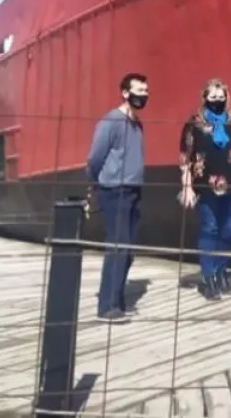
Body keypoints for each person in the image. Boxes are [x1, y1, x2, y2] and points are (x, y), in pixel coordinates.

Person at [178, 78, 231, 301]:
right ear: (204, 98)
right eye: (213, 97)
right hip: (205, 185)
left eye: (221, 97)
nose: (218, 101)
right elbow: (185, 158)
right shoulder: (194, 123)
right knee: (209, 228)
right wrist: (187, 186)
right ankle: (208, 276)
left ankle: (220, 269)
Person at [86, 72, 148, 322]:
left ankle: (118, 300)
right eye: (139, 91)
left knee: (128, 248)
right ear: (125, 93)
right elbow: (95, 157)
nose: (144, 95)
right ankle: (107, 306)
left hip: (133, 190)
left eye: (145, 91)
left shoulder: (137, 124)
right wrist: (97, 183)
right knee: (118, 246)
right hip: (114, 191)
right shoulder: (110, 121)